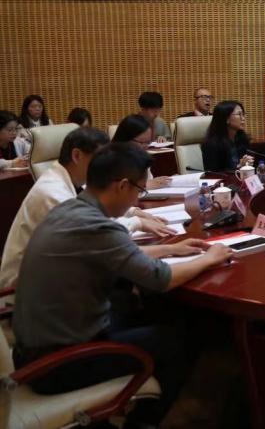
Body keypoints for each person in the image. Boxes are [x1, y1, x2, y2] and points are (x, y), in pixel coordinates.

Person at [12, 142, 232, 428]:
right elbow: (161, 279)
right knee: (178, 340)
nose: (137, 199)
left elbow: (117, 252)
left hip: (36, 347)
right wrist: (210, 258)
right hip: (56, 364)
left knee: (138, 303)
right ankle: (143, 422)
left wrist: (171, 249)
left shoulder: (71, 209)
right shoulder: (98, 226)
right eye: (139, 190)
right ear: (122, 186)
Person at [0, 127, 175, 289]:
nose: (107, 167)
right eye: (100, 160)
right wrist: (137, 222)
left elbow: (96, 203)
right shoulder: (52, 193)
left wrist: (133, 211)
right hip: (24, 289)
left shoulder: (72, 179)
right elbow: (97, 234)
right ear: (77, 156)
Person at [113, 115, 172, 189]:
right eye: (141, 142)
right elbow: (115, 189)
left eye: (148, 142)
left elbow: (149, 180)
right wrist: (144, 185)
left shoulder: (142, 157)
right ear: (125, 138)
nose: (145, 147)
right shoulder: (112, 159)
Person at [201, 100, 254, 171]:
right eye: (239, 114)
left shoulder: (242, 139)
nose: (243, 118)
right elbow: (213, 173)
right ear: (226, 119)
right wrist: (239, 167)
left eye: (243, 114)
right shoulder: (211, 145)